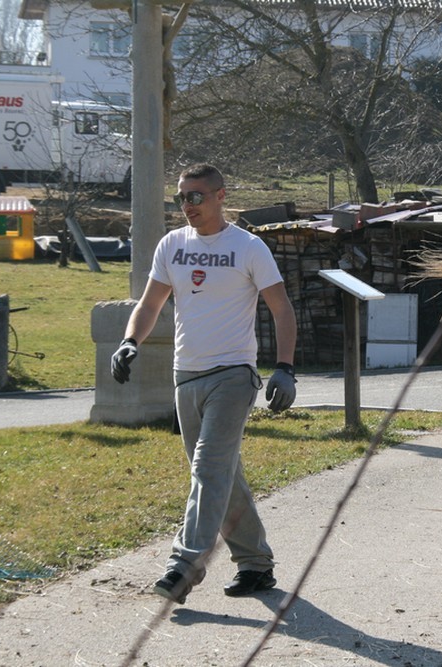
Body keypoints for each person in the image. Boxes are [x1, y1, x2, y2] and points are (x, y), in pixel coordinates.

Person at [110, 163, 298, 604]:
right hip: (186, 375)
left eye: (195, 196)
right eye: (181, 198)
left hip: (234, 375)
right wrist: (129, 341)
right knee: (222, 475)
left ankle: (184, 565)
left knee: (208, 469)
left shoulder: (248, 247)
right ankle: (255, 564)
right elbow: (150, 302)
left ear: (220, 196)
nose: (187, 206)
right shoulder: (171, 245)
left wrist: (285, 367)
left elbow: (282, 308)